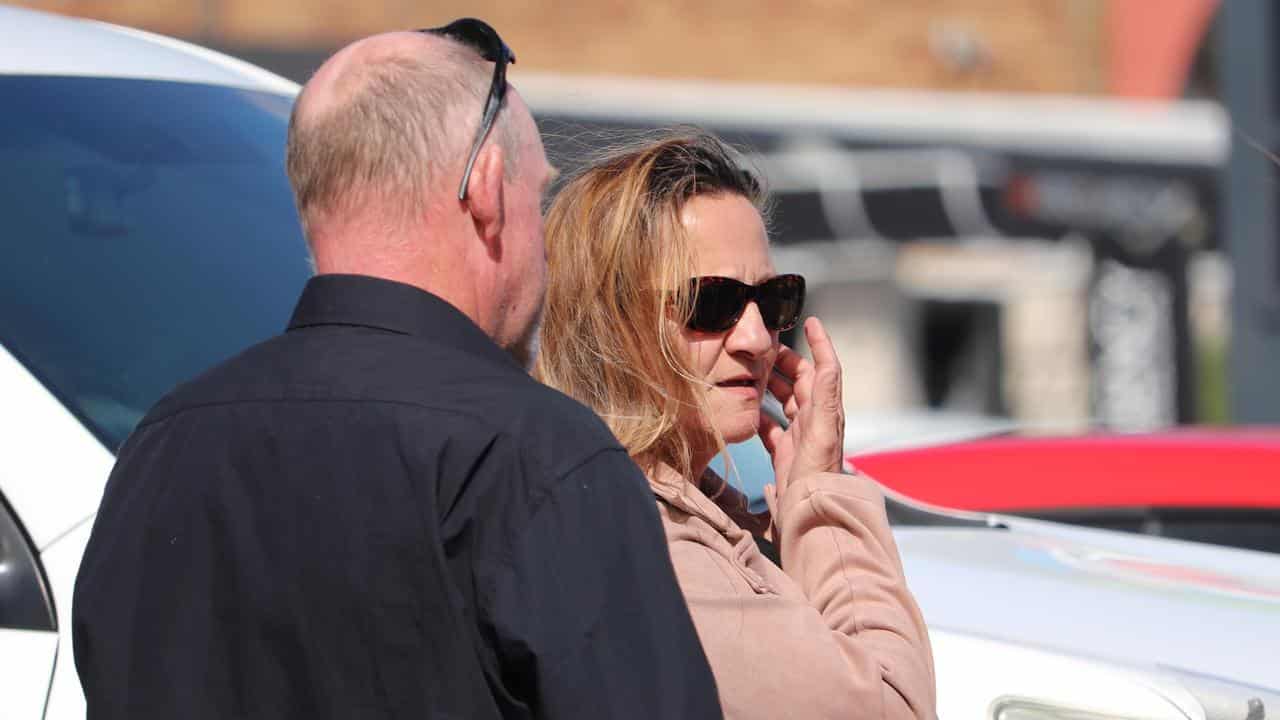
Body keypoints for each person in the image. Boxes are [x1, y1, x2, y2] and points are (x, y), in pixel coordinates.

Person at [72, 21, 722, 720]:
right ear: (488, 190)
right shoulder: (535, 457)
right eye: (540, 198)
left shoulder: (166, 444)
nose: (544, 247)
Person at [535, 129, 936, 719]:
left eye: (774, 300)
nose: (757, 339)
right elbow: (893, 710)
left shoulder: (671, 508)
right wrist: (820, 498)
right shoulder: (653, 545)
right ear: (611, 324)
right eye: (712, 303)